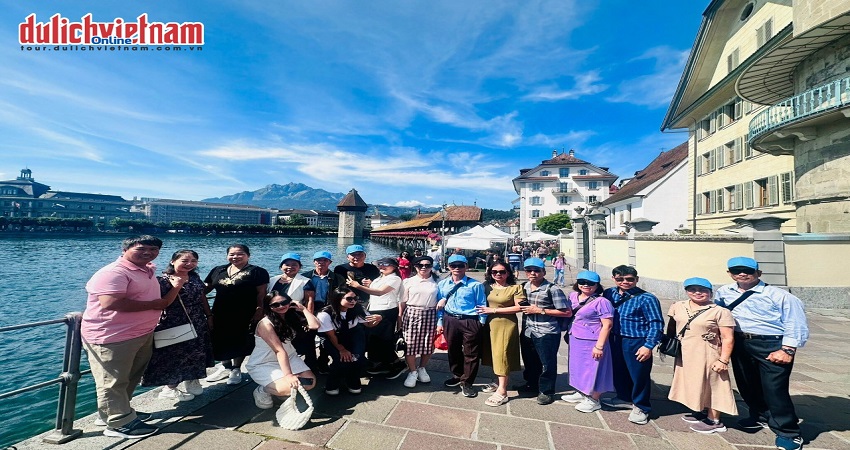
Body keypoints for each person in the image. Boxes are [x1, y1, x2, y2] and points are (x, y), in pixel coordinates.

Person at [82, 235, 186, 438]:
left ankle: (119, 413)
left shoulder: (147, 269)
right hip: (112, 336)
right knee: (112, 380)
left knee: (129, 377)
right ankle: (117, 424)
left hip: (140, 333)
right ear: (125, 250)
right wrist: (155, 305)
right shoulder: (114, 272)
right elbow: (110, 303)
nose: (148, 252)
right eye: (142, 249)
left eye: (153, 249)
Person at [715, 257, 808, 450]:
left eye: (747, 270)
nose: (742, 273)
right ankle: (760, 415)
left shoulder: (779, 295)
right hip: (739, 342)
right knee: (746, 383)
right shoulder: (724, 292)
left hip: (770, 343)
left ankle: (788, 432)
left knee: (775, 389)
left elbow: (795, 322)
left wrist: (787, 350)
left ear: (759, 273)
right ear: (729, 273)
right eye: (736, 270)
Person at [142, 250, 214, 402]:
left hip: (196, 319)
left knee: (196, 351)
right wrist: (176, 286)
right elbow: (163, 303)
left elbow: (202, 297)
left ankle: (193, 378)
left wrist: (209, 316)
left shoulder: (194, 277)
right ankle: (170, 387)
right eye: (185, 260)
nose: (190, 264)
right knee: (175, 354)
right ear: (173, 261)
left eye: (194, 261)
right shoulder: (162, 280)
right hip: (174, 321)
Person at [668, 277, 737, 434]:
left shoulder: (720, 311)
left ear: (710, 292)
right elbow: (672, 327)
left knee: (714, 384)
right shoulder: (678, 306)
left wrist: (723, 360)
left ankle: (715, 420)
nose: (697, 293)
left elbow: (728, 338)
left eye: (703, 290)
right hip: (685, 352)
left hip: (708, 352)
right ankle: (700, 410)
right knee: (694, 382)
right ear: (686, 291)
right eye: (692, 290)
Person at [601, 265, 664, 425]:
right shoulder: (609, 293)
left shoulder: (647, 298)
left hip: (636, 340)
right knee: (619, 370)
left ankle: (641, 406)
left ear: (636, 279)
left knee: (639, 375)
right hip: (615, 338)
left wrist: (648, 345)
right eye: (620, 279)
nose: (625, 282)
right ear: (613, 279)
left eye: (629, 279)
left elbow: (656, 323)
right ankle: (624, 397)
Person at [204, 244, 270, 386]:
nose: (235, 257)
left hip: (245, 312)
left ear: (248, 255)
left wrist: (260, 310)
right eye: (232, 254)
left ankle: (236, 369)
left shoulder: (257, 271)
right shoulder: (218, 270)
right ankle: (225, 366)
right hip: (220, 312)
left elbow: (261, 293)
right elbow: (205, 288)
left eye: (240, 254)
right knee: (219, 339)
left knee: (240, 339)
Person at [247, 291, 319, 411]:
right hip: (265, 362)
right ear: (269, 307)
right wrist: (289, 375)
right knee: (288, 387)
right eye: (275, 305)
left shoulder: (291, 316)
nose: (281, 307)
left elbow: (315, 325)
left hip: (289, 357)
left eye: (284, 302)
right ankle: (263, 389)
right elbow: (279, 350)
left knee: (309, 382)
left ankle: (280, 388)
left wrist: (303, 309)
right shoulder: (265, 324)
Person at [516, 257, 571, 405]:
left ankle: (546, 391)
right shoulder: (524, 287)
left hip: (547, 332)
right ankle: (532, 384)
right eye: (529, 270)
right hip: (528, 330)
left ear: (543, 272)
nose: (533, 273)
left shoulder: (552, 289)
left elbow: (566, 312)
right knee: (530, 361)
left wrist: (541, 310)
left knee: (547, 363)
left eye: (536, 270)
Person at [561, 270, 614, 413]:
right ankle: (582, 391)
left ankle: (594, 399)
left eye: (590, 283)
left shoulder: (602, 302)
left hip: (593, 340)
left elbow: (607, 325)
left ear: (597, 285)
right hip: (576, 337)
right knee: (578, 368)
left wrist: (599, 346)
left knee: (594, 369)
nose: (586, 285)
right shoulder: (572, 296)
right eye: (582, 282)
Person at [436, 254, 487, 398]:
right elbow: (440, 306)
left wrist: (481, 323)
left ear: (466, 267)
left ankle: (467, 382)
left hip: (469, 320)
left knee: (471, 353)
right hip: (450, 319)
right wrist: (440, 322)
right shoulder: (443, 284)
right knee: (453, 349)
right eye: (453, 266)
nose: (457, 268)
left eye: (460, 265)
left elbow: (481, 305)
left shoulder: (475, 285)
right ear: (448, 267)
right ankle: (457, 375)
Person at [316, 287, 382, 395]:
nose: (353, 301)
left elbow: (368, 324)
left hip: (353, 333)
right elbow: (331, 335)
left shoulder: (357, 308)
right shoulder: (325, 314)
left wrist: (378, 319)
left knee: (356, 356)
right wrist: (341, 349)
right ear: (338, 298)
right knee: (340, 358)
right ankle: (332, 384)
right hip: (332, 336)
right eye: (349, 299)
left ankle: (352, 380)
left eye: (355, 298)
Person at [475, 262, 524, 407]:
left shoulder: (515, 288)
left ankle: (503, 391)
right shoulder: (486, 286)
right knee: (492, 354)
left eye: (502, 272)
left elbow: (520, 307)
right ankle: (498, 381)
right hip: (488, 325)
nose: (498, 274)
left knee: (501, 354)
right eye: (494, 271)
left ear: (508, 273)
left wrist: (494, 310)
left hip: (505, 325)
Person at [347, 257, 404, 378]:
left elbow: (379, 292)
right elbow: (375, 289)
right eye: (380, 264)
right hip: (374, 308)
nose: (382, 266)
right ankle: (381, 363)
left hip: (386, 311)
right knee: (374, 338)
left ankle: (397, 363)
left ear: (394, 266)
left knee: (384, 339)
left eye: (386, 264)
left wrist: (357, 286)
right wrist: (370, 284)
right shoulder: (380, 277)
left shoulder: (395, 278)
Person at [269, 253, 318, 369]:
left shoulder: (305, 281)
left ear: (299, 267)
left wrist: (307, 318)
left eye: (294, 264)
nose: (290, 267)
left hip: (296, 316)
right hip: (276, 316)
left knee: (305, 342)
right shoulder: (272, 280)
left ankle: (310, 367)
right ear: (281, 266)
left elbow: (309, 301)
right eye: (287, 264)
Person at [398, 255, 440, 388]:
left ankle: (422, 368)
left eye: (427, 265)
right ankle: (413, 371)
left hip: (431, 313)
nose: (423, 268)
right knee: (410, 344)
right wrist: (399, 318)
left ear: (431, 266)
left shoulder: (437, 281)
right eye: (420, 265)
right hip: (411, 313)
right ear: (415, 266)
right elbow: (402, 302)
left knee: (428, 344)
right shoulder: (408, 282)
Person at [302, 251, 347, 373]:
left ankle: (323, 362)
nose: (321, 263)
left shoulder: (338, 278)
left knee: (326, 336)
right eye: (318, 260)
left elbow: (341, 295)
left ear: (330, 262)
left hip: (328, 308)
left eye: (325, 260)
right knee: (308, 336)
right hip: (309, 307)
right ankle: (310, 363)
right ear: (314, 262)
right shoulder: (305, 277)